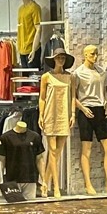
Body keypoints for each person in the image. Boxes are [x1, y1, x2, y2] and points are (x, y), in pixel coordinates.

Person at [72, 44, 107, 194]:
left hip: (100, 109)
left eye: (96, 54)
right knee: (87, 148)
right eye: (92, 54)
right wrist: (82, 108)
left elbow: (104, 91)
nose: (95, 57)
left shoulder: (101, 72)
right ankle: (88, 184)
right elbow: (72, 96)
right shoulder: (78, 73)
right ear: (85, 55)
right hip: (85, 110)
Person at [38, 47, 75, 198]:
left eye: (63, 58)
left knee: (57, 153)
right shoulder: (46, 77)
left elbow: (73, 96)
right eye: (58, 57)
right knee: (52, 151)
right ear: (53, 59)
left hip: (64, 115)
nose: (61, 60)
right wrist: (40, 115)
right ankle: (56, 187)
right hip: (50, 114)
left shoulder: (70, 77)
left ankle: (45, 184)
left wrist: (73, 114)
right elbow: (42, 97)